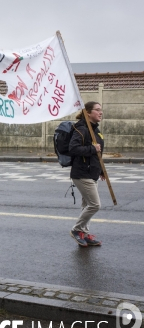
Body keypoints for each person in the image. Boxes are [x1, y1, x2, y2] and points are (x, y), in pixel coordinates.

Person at [68, 101, 104, 247]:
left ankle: (85, 234)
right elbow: (73, 149)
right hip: (82, 173)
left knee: (87, 206)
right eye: (97, 110)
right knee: (95, 205)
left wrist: (101, 169)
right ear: (88, 112)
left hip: (92, 172)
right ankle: (77, 230)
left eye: (101, 110)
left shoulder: (95, 129)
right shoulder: (82, 128)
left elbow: (97, 153)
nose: (101, 112)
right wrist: (92, 148)